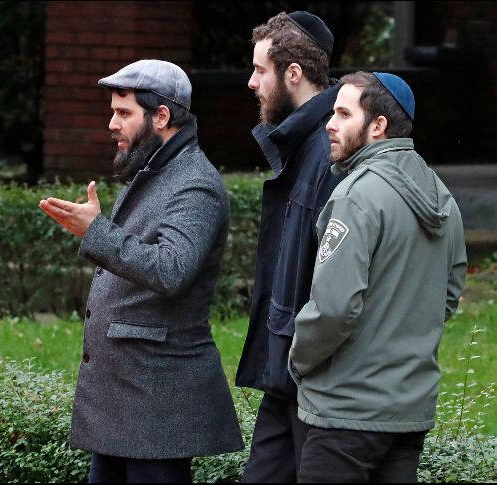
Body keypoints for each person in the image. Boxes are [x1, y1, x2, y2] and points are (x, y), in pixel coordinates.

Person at [38, 59, 243, 483]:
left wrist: (96, 232)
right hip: (124, 401)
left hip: (156, 404)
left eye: (124, 113)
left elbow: (171, 270)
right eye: (113, 112)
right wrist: (100, 231)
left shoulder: (194, 183)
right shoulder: (152, 168)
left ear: (162, 116)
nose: (112, 123)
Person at [289, 72, 467, 482]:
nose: (329, 124)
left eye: (342, 113)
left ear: (377, 127)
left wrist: (298, 360)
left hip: (347, 414)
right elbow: (449, 294)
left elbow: (333, 309)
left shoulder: (356, 196)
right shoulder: (441, 195)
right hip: (408, 412)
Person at [233, 11, 344, 482]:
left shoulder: (326, 151)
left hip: (309, 375)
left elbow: (332, 279)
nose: (252, 82)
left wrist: (300, 355)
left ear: (292, 74)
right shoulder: (302, 144)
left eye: (260, 70)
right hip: (289, 373)